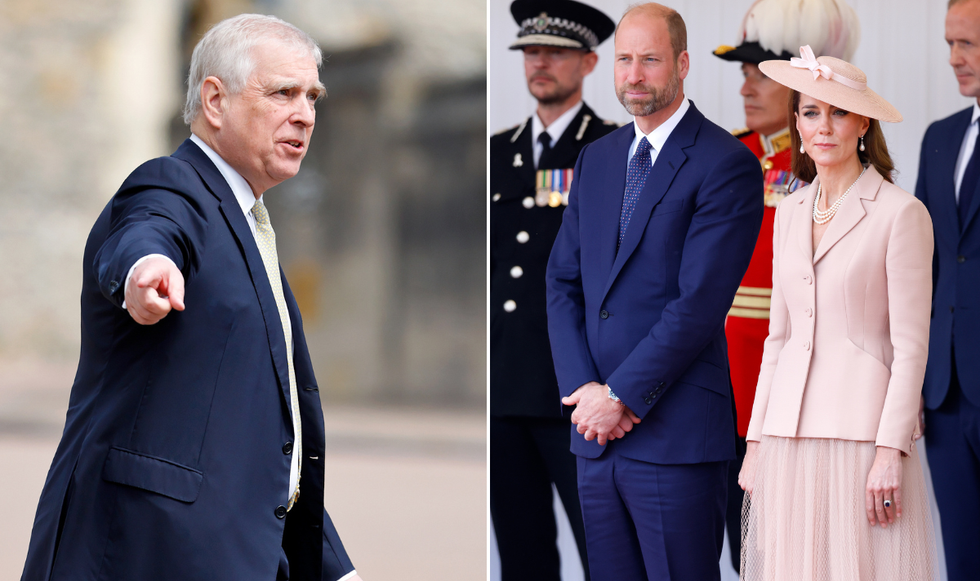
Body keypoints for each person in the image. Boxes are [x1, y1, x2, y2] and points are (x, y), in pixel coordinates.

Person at [20, 14, 362, 581]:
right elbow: (146, 230)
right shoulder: (174, 185)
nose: (304, 114)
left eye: (312, 96)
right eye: (282, 93)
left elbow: (264, 445)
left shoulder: (248, 224)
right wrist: (144, 270)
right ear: (215, 100)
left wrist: (332, 568)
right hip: (141, 553)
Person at [545, 4, 763, 579]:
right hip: (595, 436)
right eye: (624, 60)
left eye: (649, 60)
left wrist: (619, 396)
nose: (634, 75)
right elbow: (562, 281)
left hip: (677, 438)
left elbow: (698, 305)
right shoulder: (597, 158)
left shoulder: (727, 164)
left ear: (683, 63)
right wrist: (584, 392)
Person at [739, 47, 937, 580]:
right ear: (797, 123)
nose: (823, 126)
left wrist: (889, 451)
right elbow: (777, 339)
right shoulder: (788, 211)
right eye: (810, 112)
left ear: (863, 122)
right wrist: (756, 442)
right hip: (787, 437)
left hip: (861, 438)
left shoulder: (901, 213)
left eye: (838, 112)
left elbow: (912, 346)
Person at [710, 0, 859, 571]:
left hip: (801, 392)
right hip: (720, 387)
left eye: (760, 74)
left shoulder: (836, 169)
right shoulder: (726, 156)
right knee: (737, 545)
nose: (746, 86)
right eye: (744, 73)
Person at [490, 1, 616, 578]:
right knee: (521, 556)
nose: (539, 63)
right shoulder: (496, 154)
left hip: (575, 392)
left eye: (556, 53)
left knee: (606, 551)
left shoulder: (613, 152)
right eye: (530, 51)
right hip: (504, 391)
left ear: (588, 63)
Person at [914, 1, 980, 579]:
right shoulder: (941, 137)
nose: (955, 60)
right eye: (949, 44)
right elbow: (922, 267)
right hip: (946, 394)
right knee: (961, 560)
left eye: (969, 44)